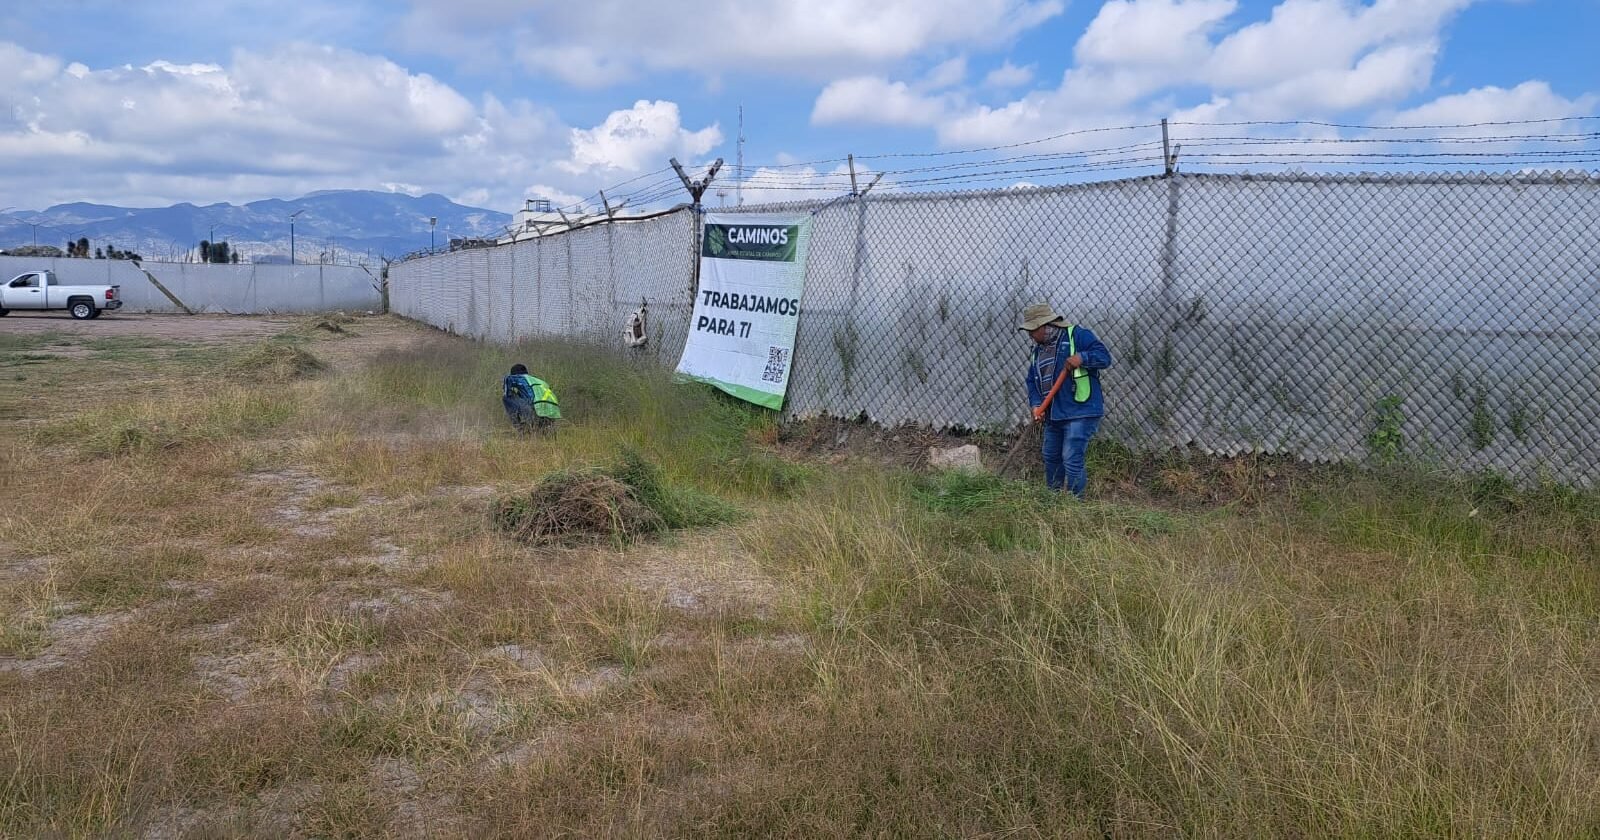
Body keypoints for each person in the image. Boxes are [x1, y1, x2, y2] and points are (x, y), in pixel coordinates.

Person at [1020, 304, 1113, 498]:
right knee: (1051, 455)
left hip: (1080, 410)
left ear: (1044, 326)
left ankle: (1073, 505)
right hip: (1054, 414)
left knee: (1071, 458)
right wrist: (1036, 404)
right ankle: (1054, 500)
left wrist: (1082, 357)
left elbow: (1104, 357)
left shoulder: (1077, 336)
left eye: (1032, 330)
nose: (1029, 334)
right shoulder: (1038, 351)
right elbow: (1032, 380)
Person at [502, 363, 561, 433]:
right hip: (552, 413)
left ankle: (519, 427)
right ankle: (542, 427)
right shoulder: (540, 381)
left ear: (515, 374)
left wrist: (506, 390)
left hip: (536, 411)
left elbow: (507, 379)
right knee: (522, 395)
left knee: (506, 397)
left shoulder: (519, 377)